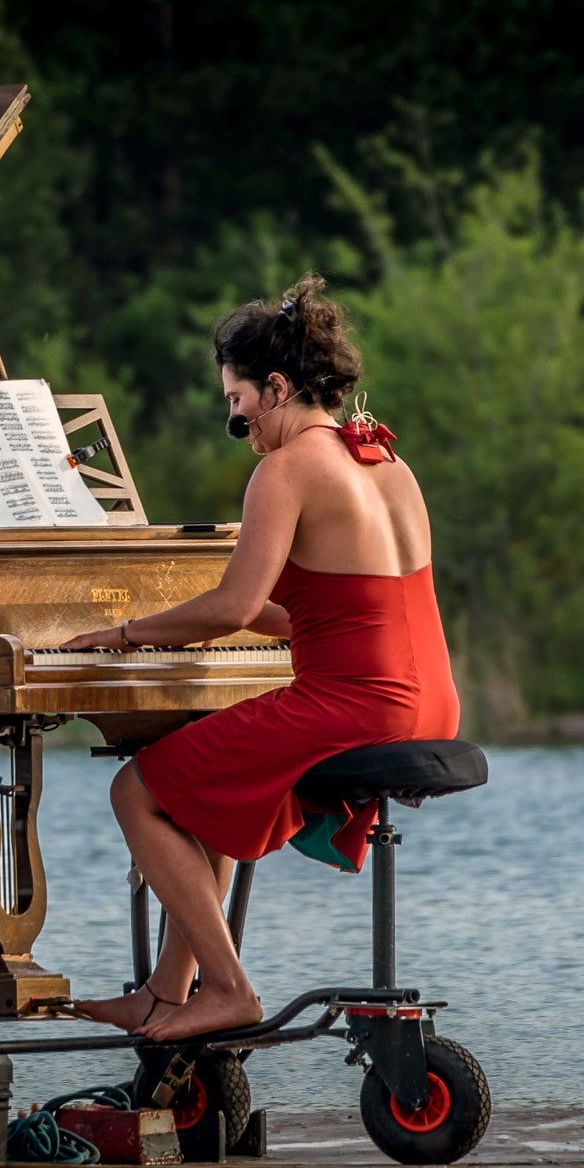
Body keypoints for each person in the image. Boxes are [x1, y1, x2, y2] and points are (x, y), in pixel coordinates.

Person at [60, 273, 460, 1042]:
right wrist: (207, 624)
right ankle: (165, 993)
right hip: (430, 698)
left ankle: (230, 988)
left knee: (135, 789)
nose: (237, 422)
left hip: (359, 704)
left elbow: (233, 607)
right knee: (204, 787)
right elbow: (332, 609)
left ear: (275, 387)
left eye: (237, 403)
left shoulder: (286, 469)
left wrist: (123, 633)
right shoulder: (385, 463)